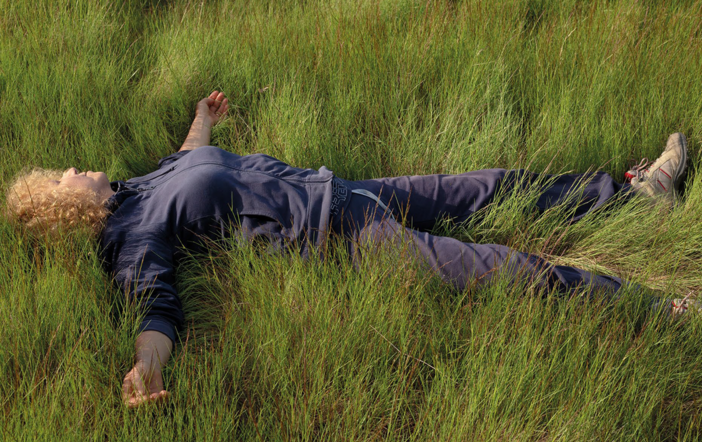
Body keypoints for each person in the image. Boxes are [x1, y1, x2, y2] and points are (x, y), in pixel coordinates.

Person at [4, 90, 695, 408]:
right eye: (63, 174)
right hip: (344, 240)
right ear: (59, 205)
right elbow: (157, 306)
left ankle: (634, 194)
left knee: (490, 186)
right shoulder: (128, 237)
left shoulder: (139, 184)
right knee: (505, 272)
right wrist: (146, 368)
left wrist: (202, 120)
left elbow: (192, 159)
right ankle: (655, 309)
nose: (77, 167)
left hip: (342, 189)